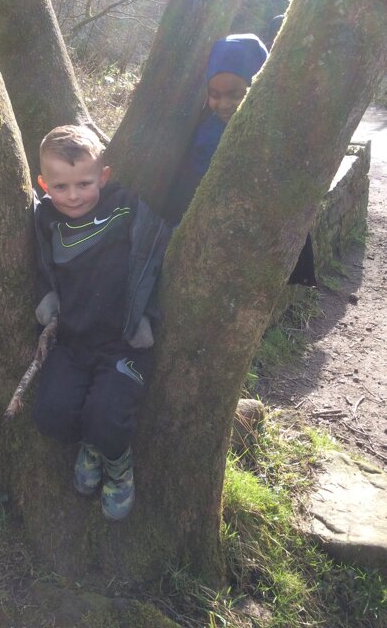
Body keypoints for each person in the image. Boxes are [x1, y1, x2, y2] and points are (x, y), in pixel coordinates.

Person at [32, 125, 170, 521]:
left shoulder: (125, 206)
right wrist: (47, 305)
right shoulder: (45, 219)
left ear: (104, 177)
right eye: (60, 187)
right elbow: (40, 266)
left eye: (84, 183)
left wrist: (147, 316)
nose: (73, 196)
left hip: (123, 342)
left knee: (108, 416)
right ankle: (90, 444)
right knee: (50, 415)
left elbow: (160, 232)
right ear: (44, 185)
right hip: (72, 342)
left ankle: (116, 461)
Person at [166, 33, 316, 286]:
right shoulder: (203, 131)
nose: (224, 104)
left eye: (235, 94)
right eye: (214, 94)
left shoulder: (275, 132)